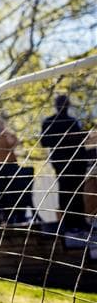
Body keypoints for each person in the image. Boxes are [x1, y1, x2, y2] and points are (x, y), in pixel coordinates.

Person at [40, 94, 89, 231]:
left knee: (78, 191)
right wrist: (63, 138)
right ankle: (67, 223)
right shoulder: (49, 122)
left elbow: (80, 140)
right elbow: (44, 142)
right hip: (62, 162)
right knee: (65, 191)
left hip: (78, 161)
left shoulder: (74, 121)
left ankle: (80, 222)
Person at [0, 114, 22, 224]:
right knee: (1, 193)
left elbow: (13, 144)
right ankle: (4, 217)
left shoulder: (9, 135)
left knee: (13, 191)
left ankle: (15, 215)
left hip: (11, 166)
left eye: (0, 125)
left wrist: (5, 133)